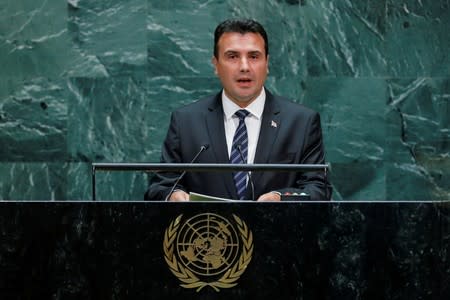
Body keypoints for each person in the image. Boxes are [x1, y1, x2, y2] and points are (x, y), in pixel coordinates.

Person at [145, 18, 331, 201]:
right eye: (232, 56)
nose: (244, 67)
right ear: (216, 65)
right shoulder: (186, 121)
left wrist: (280, 198)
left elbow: (318, 189)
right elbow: (160, 186)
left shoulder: (301, 121)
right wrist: (173, 196)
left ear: (267, 63)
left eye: (254, 56)